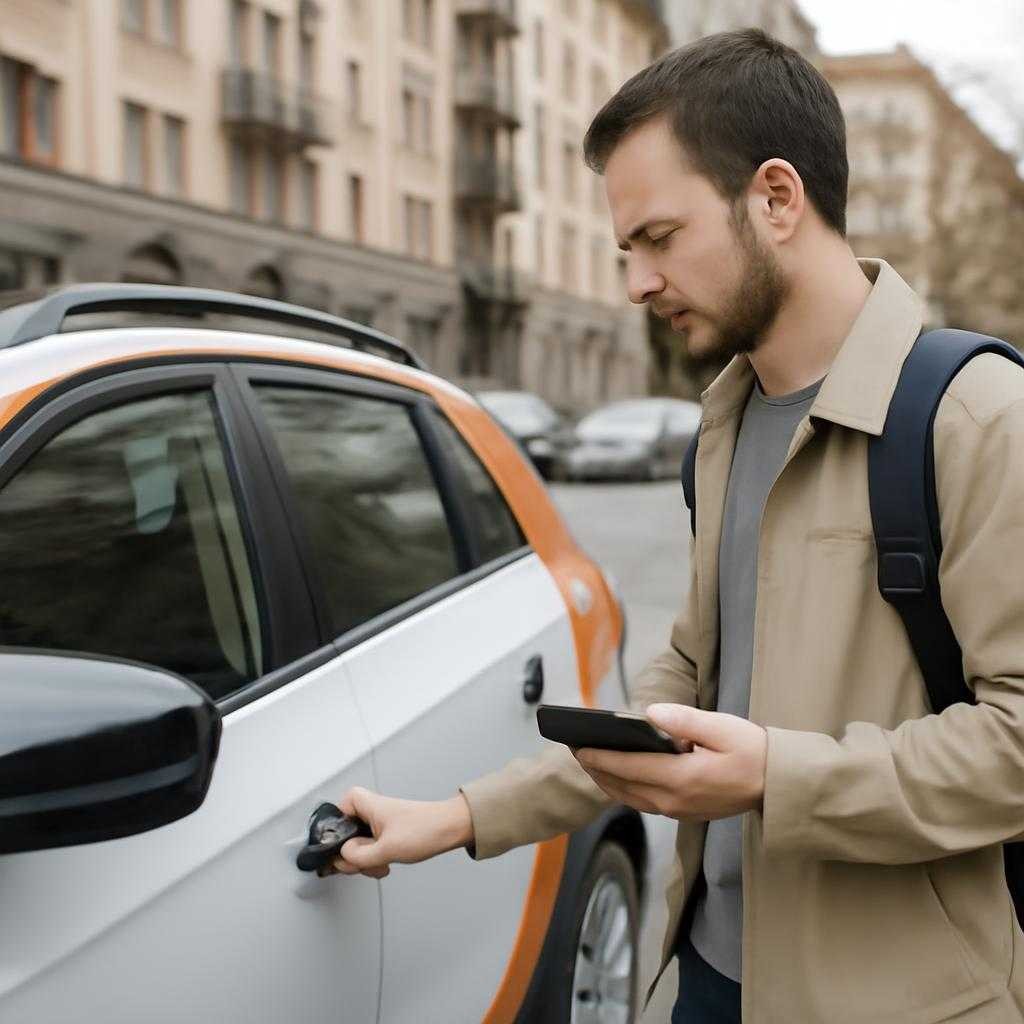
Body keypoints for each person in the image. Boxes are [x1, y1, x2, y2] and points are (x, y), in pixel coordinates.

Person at [331, 29, 1024, 1023]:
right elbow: (677, 702)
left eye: (658, 238)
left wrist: (776, 777)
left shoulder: (980, 417)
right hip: (701, 974)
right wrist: (456, 818)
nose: (636, 284)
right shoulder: (721, 424)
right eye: (627, 251)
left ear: (775, 199)